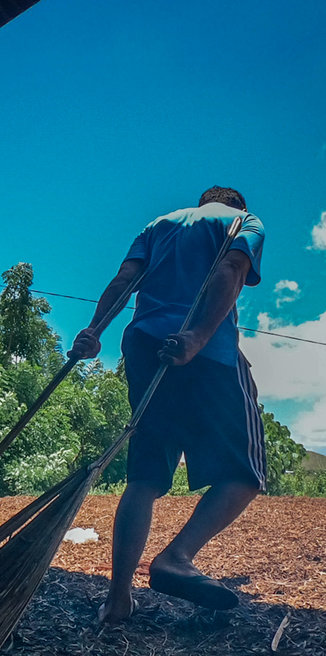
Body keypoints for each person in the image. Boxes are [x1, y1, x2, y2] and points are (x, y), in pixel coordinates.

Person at [69, 186, 265, 622]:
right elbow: (231, 268)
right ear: (237, 205)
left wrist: (93, 330)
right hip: (206, 353)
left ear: (203, 201)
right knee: (245, 472)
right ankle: (175, 557)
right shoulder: (242, 223)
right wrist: (196, 336)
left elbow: (124, 281)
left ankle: (117, 599)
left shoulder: (159, 225)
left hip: (143, 345)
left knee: (146, 476)